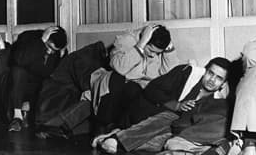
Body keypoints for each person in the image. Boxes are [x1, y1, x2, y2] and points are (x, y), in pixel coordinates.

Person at [92, 57, 231, 154]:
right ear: (204, 71)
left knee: (167, 141)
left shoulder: (219, 101)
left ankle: (113, 138)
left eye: (219, 78)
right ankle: (119, 139)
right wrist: (176, 105)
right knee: (170, 117)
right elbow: (151, 89)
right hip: (147, 114)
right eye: (210, 73)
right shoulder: (187, 73)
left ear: (223, 83)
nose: (212, 80)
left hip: (171, 130)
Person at [90, 24, 180, 133]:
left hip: (139, 89)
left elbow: (170, 73)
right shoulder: (126, 40)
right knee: (122, 81)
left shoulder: (158, 49)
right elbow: (119, 68)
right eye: (151, 50)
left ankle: (118, 132)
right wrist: (140, 46)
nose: (152, 55)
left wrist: (169, 49)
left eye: (157, 53)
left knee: (145, 92)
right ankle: (104, 127)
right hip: (116, 86)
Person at [8, 26, 67, 132]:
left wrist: (62, 58)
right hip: (21, 84)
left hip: (40, 88)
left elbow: (56, 75)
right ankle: (17, 117)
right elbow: (19, 60)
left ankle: (35, 116)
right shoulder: (27, 37)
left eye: (54, 50)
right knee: (18, 71)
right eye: (48, 47)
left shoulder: (59, 51)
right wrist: (41, 42)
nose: (49, 52)